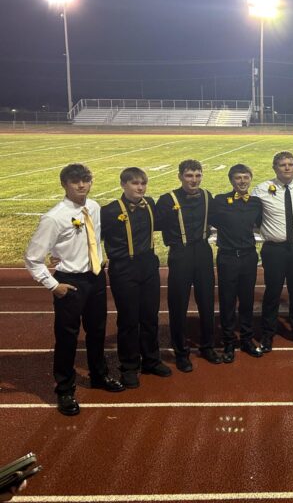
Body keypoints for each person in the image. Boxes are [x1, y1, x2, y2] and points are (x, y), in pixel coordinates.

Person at [24, 164, 124, 416]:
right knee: (67, 337)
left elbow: (93, 237)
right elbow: (33, 258)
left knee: (97, 331)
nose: (81, 185)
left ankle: (99, 375)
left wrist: (98, 256)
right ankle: (65, 390)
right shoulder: (54, 217)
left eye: (85, 180)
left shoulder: (94, 207)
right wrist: (53, 285)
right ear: (64, 185)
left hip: (96, 278)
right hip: (70, 282)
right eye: (75, 181)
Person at [101, 167, 171, 388]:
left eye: (143, 183)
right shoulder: (110, 211)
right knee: (129, 320)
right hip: (124, 268)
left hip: (148, 266)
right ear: (123, 185)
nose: (140, 187)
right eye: (135, 183)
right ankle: (129, 366)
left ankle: (151, 360)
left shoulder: (149, 203)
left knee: (150, 316)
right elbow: (92, 238)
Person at [156, 159, 222, 372]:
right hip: (180, 253)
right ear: (180, 177)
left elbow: (220, 219)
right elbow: (154, 224)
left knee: (207, 301)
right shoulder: (167, 199)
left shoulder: (207, 196)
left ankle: (207, 346)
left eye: (198, 175)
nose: (194, 180)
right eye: (189, 175)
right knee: (178, 304)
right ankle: (181, 352)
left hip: (203, 252)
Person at [256, 151, 293, 351]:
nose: (287, 168)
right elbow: (251, 213)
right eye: (282, 165)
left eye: (290, 164)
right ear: (275, 168)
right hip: (274, 249)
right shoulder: (262, 189)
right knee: (272, 292)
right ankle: (267, 334)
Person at [210, 164, 264, 362]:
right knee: (227, 301)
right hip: (228, 257)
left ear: (250, 179)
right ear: (231, 180)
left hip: (249, 256)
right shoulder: (220, 200)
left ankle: (247, 340)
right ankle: (229, 342)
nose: (242, 181)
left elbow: (260, 223)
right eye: (238, 178)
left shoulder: (256, 203)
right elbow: (213, 221)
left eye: (245, 177)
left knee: (247, 300)